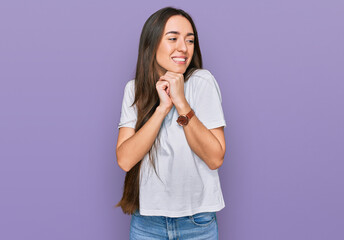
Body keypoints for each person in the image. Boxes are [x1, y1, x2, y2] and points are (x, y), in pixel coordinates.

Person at [115, 6, 227, 240]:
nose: (183, 48)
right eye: (173, 38)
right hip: (147, 222)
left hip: (197, 222)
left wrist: (181, 103)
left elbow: (215, 157)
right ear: (152, 43)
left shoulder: (202, 82)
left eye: (189, 40)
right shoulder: (133, 90)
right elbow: (125, 160)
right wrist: (162, 108)